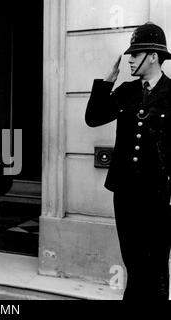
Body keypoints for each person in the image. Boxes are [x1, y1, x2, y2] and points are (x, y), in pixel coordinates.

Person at [85, 22, 171, 300]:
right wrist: (107, 82)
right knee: (132, 260)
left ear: (154, 56)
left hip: (158, 193)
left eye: (136, 54)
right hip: (126, 191)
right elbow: (94, 118)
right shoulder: (126, 91)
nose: (130, 59)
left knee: (156, 263)